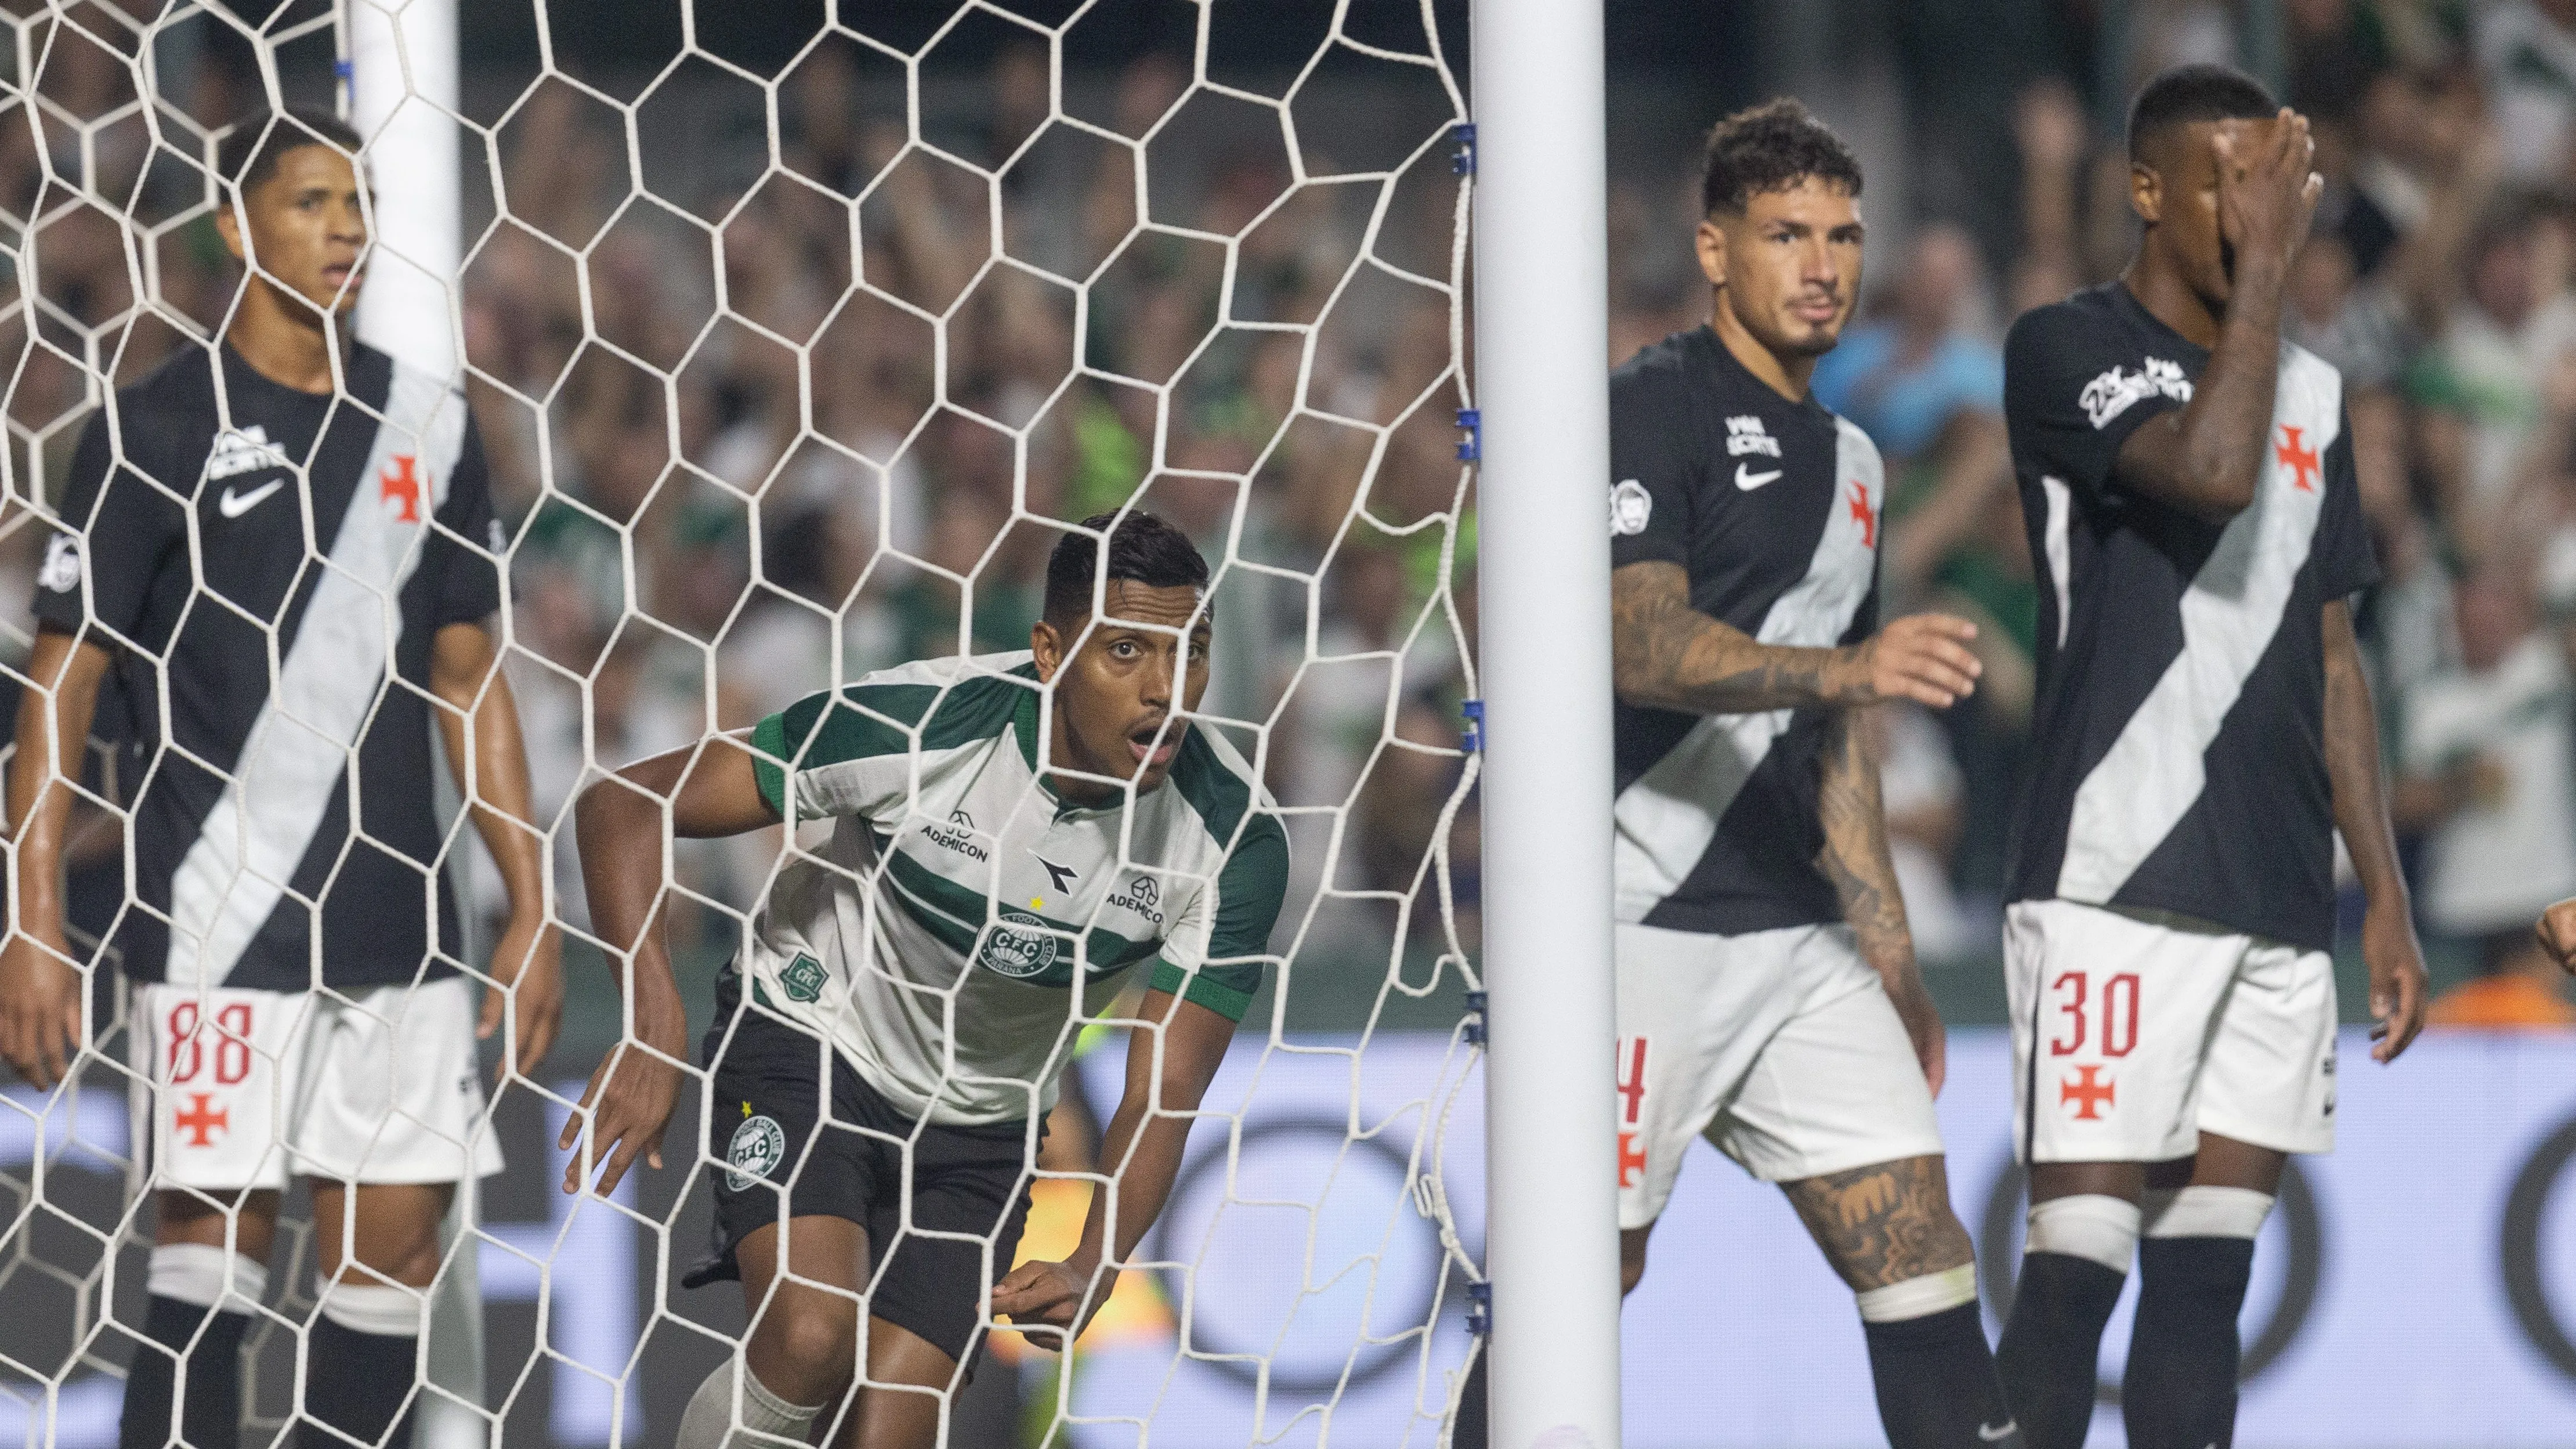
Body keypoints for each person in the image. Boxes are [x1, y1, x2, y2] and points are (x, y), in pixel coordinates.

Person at [0, 109, 559, 1449]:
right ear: (235, 227)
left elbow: (469, 676)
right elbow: (62, 685)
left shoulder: (428, 425)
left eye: (359, 204)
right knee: (208, 1266)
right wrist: (31, 920)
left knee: (393, 1266)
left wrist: (532, 903)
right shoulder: (153, 428)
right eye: (312, 202)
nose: (346, 229)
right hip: (221, 919)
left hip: (399, 924)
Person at [1465, 99, 2018, 1449]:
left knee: (1921, 1250)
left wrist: (1890, 951)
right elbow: (1640, 644)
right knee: (1585, 1277)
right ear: (1715, 250)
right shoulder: (1647, 409)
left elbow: (1836, 734)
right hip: (1630, 924)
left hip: (1797, 940)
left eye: (1843, 236)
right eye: (1786, 235)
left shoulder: (1860, 464)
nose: (1822, 266)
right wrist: (1848, 667)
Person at [567, 509, 1287, 1449]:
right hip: (814, 1041)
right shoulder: (921, 724)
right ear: (1050, 653)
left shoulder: (1232, 840)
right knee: (812, 1337)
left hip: (982, 1124)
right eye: (1125, 652)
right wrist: (651, 1019)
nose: (1165, 691)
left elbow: (1166, 1085)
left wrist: (1097, 1259)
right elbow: (624, 805)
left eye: (1190, 654)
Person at [1993, 65, 2427, 1449]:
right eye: (2233, 185)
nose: (2261, 213)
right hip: (2112, 876)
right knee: (2075, 1276)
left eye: (2279, 186)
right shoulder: (2065, 348)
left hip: (2279, 896)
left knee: (2205, 1293)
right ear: (2146, 191)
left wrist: (2384, 893)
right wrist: (2273, 284)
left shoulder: (2318, 391)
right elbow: (2215, 470)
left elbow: (2334, 655)